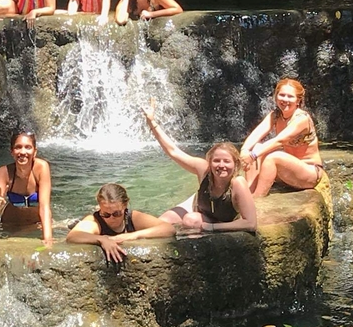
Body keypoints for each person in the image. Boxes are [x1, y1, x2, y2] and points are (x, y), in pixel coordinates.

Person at [142, 102, 255, 233]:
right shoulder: (204, 169)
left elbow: (251, 223)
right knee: (162, 222)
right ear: (210, 162)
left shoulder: (238, 183)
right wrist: (152, 122)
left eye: (227, 161)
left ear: (235, 164)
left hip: (220, 220)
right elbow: (173, 151)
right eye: (216, 161)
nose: (221, 165)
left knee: (191, 220)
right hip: (199, 207)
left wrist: (212, 228)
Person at [240, 78, 325, 198]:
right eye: (282, 95)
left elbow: (279, 141)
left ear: (298, 100)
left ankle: (257, 198)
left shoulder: (302, 119)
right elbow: (256, 134)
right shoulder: (275, 115)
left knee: (272, 157)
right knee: (255, 146)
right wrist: (244, 151)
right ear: (276, 96)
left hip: (309, 173)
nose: (285, 99)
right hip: (287, 172)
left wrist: (252, 155)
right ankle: (249, 193)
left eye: (290, 96)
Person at [66, 183, 175, 263]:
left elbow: (168, 229)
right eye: (106, 214)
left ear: (125, 205)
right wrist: (102, 239)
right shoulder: (95, 220)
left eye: (117, 213)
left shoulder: (132, 217)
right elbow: (73, 236)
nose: (111, 218)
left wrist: (133, 235)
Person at [0, 131, 54, 246]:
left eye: (28, 147)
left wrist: (47, 238)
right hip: (10, 226)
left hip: (37, 224)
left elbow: (44, 207)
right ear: (12, 152)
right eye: (18, 147)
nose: (23, 152)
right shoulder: (4, 172)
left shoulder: (41, 168)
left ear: (35, 152)